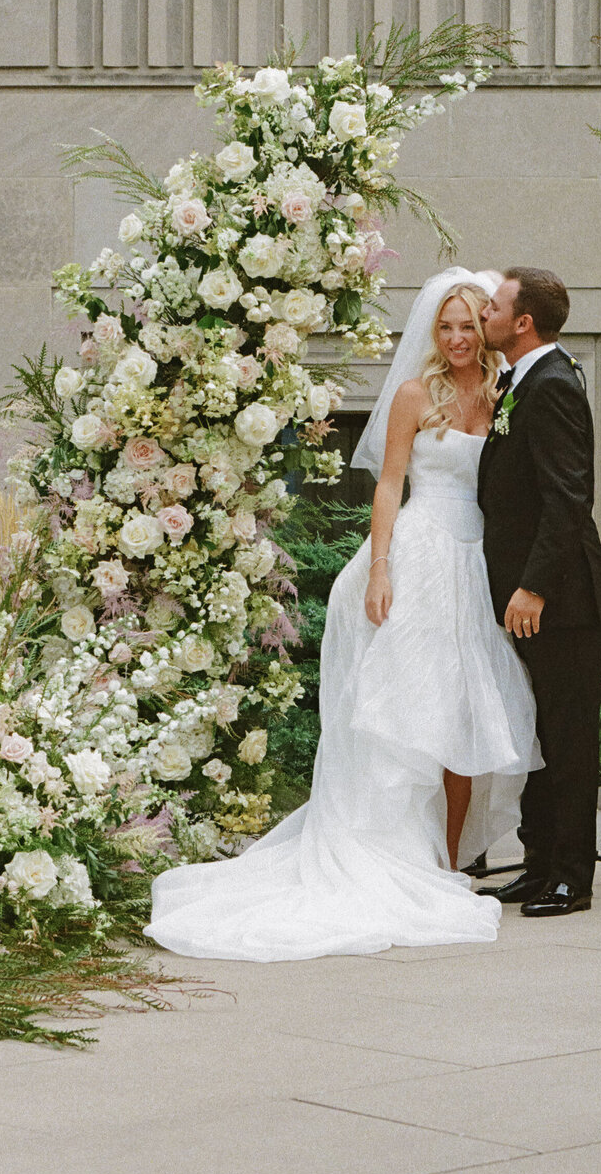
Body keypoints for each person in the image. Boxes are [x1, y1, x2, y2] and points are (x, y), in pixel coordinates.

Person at [145, 268, 538, 963]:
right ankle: (409, 857)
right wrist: (380, 567)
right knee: (413, 716)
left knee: (467, 715)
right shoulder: (417, 395)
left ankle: (450, 864)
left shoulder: (509, 394)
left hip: (477, 566)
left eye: (467, 326)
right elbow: (388, 484)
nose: (454, 338)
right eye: (444, 326)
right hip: (416, 560)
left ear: (488, 329)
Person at [477, 268, 601, 917]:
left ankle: (570, 877)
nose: (484, 312)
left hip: (562, 601)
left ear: (523, 321)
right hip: (529, 599)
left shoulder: (555, 385)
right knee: (535, 738)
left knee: (566, 743)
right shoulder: (522, 381)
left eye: (495, 305)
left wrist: (532, 587)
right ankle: (537, 866)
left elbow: (568, 499)